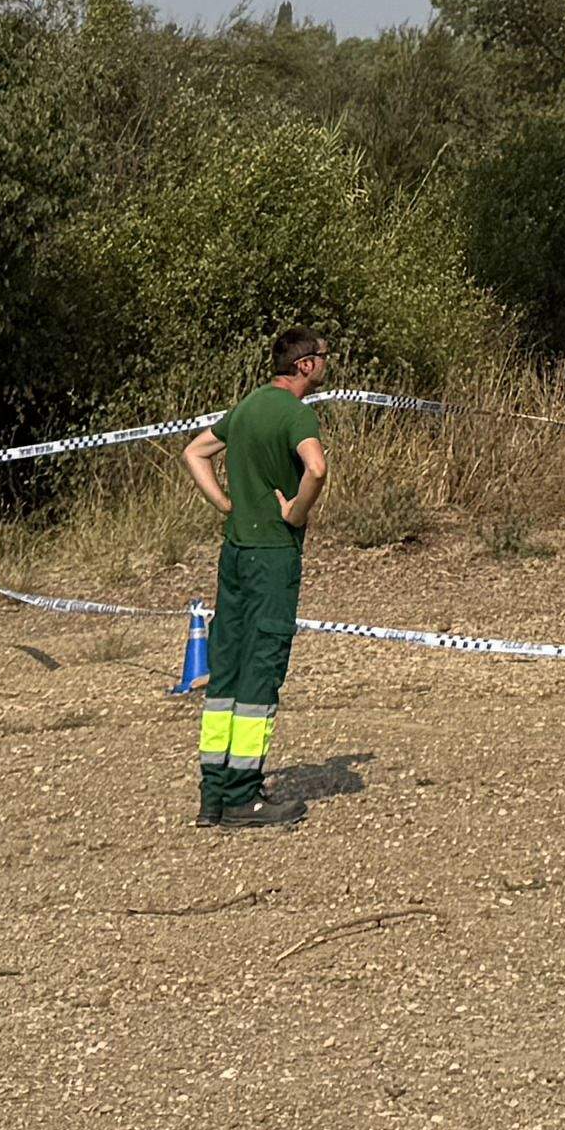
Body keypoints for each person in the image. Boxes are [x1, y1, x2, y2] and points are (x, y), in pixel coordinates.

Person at [178, 326, 331, 825]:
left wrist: (225, 502)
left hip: (235, 555)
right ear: (305, 365)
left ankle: (213, 793)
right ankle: (245, 795)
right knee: (262, 667)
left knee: (226, 667)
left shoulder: (245, 408)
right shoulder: (295, 414)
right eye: (324, 357)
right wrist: (298, 513)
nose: (327, 364)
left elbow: (195, 452)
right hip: (271, 559)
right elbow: (317, 467)